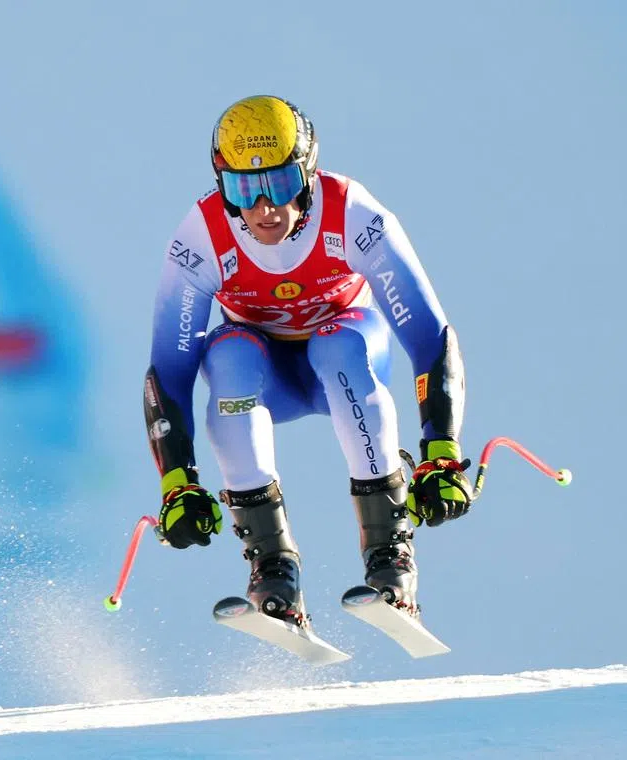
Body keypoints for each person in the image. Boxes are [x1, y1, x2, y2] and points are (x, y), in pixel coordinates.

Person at [142, 95, 470, 628]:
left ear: (309, 173)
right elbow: (169, 372)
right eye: (243, 190)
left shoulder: (353, 215)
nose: (265, 208)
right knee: (227, 354)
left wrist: (442, 450)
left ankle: (390, 553)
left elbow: (429, 337)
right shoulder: (200, 238)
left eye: (280, 184)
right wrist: (178, 480)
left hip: (346, 360)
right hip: (265, 376)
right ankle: (272, 568)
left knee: (334, 345)